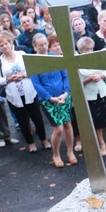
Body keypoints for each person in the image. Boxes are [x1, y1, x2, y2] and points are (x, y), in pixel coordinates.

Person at [0, 31, 49, 153]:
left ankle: (44, 139)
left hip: (29, 91)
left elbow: (32, 69)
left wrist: (23, 75)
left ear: (11, 43)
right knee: (22, 120)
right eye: (1, 45)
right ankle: (31, 143)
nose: (5, 46)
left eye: (6, 43)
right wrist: (9, 78)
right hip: (14, 95)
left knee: (37, 118)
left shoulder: (21, 54)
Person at [29, 34, 77, 168]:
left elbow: (65, 75)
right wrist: (50, 98)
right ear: (35, 46)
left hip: (64, 96)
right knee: (58, 129)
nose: (43, 47)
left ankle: (70, 151)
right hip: (48, 99)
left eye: (45, 43)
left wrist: (66, 92)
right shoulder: (33, 62)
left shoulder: (56, 57)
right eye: (40, 45)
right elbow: (36, 84)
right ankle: (56, 154)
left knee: (68, 124)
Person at [77, 36, 106, 156]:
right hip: (90, 96)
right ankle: (102, 144)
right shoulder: (78, 63)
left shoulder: (97, 58)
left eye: (90, 49)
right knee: (97, 122)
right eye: (86, 50)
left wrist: (101, 76)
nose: (89, 52)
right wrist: (88, 79)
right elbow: (77, 83)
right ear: (80, 51)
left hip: (103, 92)